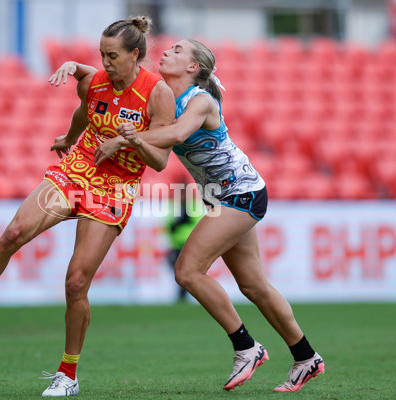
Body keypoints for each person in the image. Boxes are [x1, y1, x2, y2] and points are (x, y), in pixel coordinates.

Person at [0, 16, 175, 398]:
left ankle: (68, 374)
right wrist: (70, 136)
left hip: (115, 188)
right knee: (13, 233)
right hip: (77, 170)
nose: (105, 62)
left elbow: (160, 162)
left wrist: (132, 142)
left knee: (76, 282)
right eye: (101, 55)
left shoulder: (157, 94)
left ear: (135, 55)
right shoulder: (96, 81)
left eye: (112, 56)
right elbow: (86, 107)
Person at [65, 38, 325, 393]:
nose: (167, 51)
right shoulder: (165, 99)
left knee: (188, 271)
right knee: (253, 285)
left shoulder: (200, 100)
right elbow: (127, 100)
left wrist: (126, 139)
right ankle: (306, 357)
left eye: (176, 50)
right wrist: (82, 74)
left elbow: (175, 134)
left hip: (241, 193)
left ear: (192, 67)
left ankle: (245, 346)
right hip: (223, 196)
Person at [163, 175, 202, 302]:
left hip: (189, 245)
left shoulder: (195, 206)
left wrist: (181, 222)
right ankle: (184, 295)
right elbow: (167, 225)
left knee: (184, 272)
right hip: (176, 245)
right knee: (180, 271)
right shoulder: (175, 206)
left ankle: (183, 296)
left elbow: (199, 224)